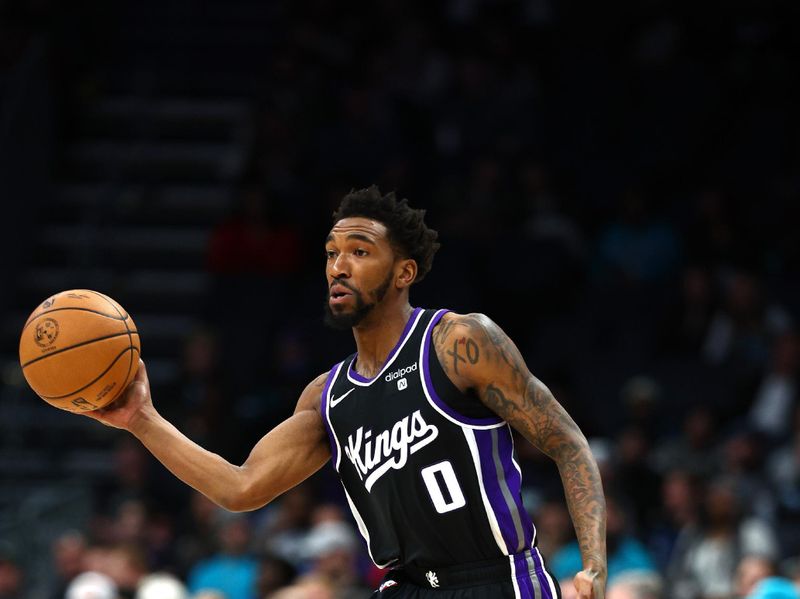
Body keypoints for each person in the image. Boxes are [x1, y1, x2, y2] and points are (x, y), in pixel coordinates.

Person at [85, 186, 607, 599]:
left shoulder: (459, 342)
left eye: (359, 251)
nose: (339, 265)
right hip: (404, 587)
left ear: (404, 272)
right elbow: (240, 489)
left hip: (499, 581)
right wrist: (141, 419)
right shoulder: (326, 397)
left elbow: (567, 443)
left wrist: (593, 565)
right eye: (332, 252)